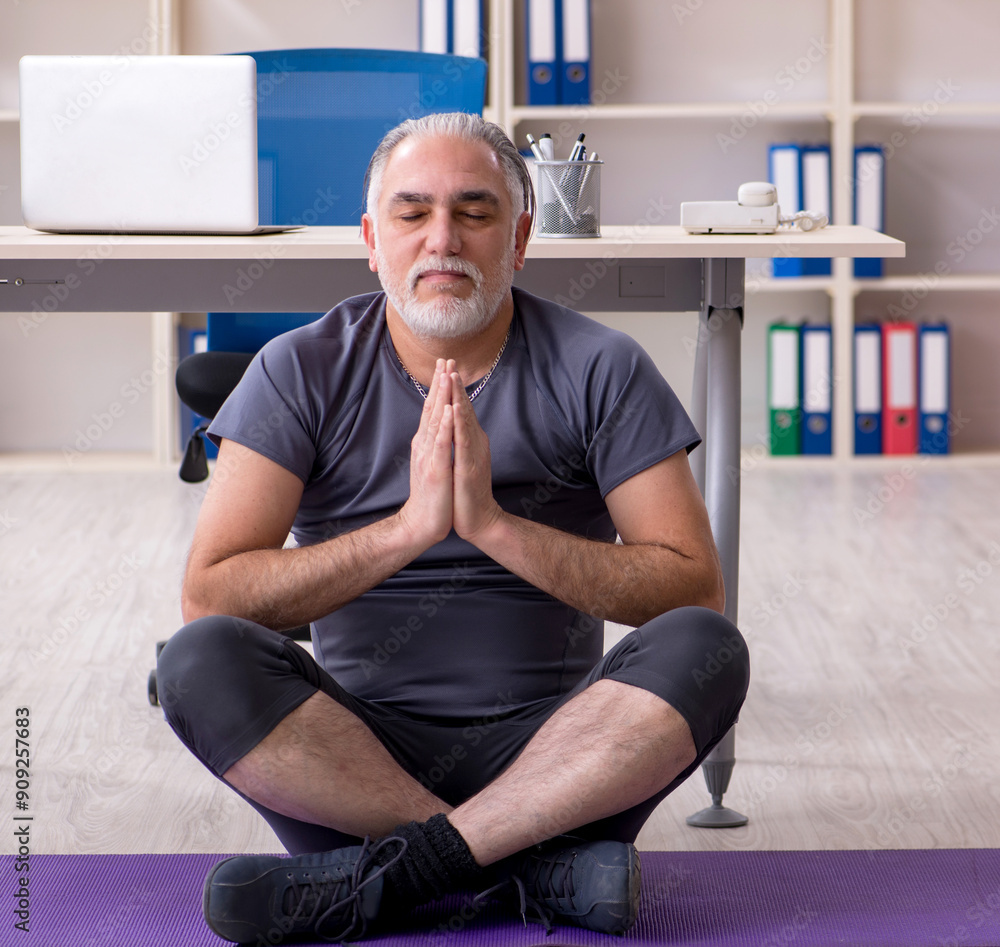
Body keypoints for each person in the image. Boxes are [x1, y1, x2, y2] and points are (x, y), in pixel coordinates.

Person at [157, 112, 749, 944]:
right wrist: (406, 529)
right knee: (199, 659)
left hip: (561, 759)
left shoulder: (599, 365)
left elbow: (694, 585)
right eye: (412, 213)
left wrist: (494, 527)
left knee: (704, 643)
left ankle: (387, 878)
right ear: (371, 239)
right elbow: (211, 593)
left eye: (475, 212)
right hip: (355, 761)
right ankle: (529, 870)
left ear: (519, 238)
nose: (444, 239)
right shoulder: (299, 368)